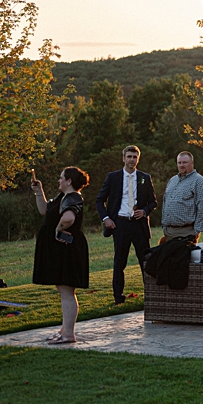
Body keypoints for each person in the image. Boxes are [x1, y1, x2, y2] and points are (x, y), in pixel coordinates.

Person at [32, 167, 90, 344]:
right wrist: (38, 191)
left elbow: (68, 218)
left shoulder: (72, 198)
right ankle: (64, 330)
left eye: (61, 178)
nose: (59, 180)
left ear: (69, 181)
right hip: (62, 249)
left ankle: (68, 335)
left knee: (66, 292)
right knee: (65, 291)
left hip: (67, 249)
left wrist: (57, 230)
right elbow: (44, 211)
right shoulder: (63, 197)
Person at [95, 145, 158, 305]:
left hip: (139, 225)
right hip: (120, 224)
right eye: (129, 156)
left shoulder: (145, 177)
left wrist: (144, 211)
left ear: (138, 159)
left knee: (144, 260)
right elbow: (99, 200)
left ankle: (151, 295)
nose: (132, 160)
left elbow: (153, 202)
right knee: (119, 262)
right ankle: (118, 297)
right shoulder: (113, 177)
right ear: (123, 158)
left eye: (134, 157)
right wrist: (106, 219)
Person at [160, 151, 203, 244]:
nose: (181, 165)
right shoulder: (173, 180)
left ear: (192, 163)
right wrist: (164, 226)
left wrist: (196, 232)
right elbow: (165, 202)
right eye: (179, 163)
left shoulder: (199, 181)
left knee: (183, 258)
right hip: (169, 232)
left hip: (186, 232)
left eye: (185, 162)